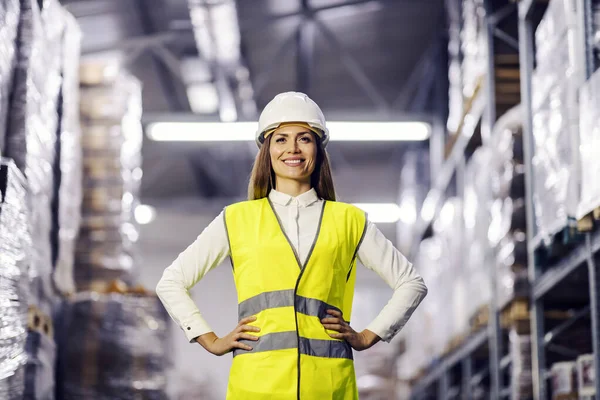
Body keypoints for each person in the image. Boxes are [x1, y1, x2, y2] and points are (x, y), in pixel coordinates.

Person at [156, 91, 428, 400]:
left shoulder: (349, 220)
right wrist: (210, 340)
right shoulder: (236, 219)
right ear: (267, 150)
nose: (293, 149)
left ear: (318, 149)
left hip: (328, 388)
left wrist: (368, 335)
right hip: (257, 388)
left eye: (304, 138)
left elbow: (412, 283)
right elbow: (171, 282)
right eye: (281, 139)